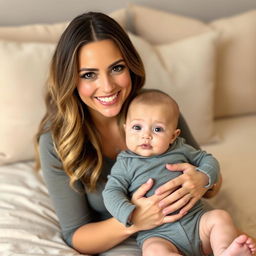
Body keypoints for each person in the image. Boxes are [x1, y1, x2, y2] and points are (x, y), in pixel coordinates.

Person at [35, 12, 224, 255]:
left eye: (116, 68)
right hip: (132, 239)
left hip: (194, 223)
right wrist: (136, 221)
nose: (107, 86)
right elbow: (76, 234)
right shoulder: (56, 140)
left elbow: (209, 177)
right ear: (69, 78)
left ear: (130, 65)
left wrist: (202, 182)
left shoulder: (156, 109)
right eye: (88, 74)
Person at [103, 89, 256, 256]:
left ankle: (223, 251)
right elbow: (111, 192)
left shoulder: (181, 149)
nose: (145, 135)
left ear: (173, 136)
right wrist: (131, 214)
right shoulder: (125, 163)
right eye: (137, 127)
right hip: (158, 233)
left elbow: (208, 160)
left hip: (196, 221)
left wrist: (203, 176)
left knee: (220, 217)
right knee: (153, 251)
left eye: (158, 129)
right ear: (126, 129)